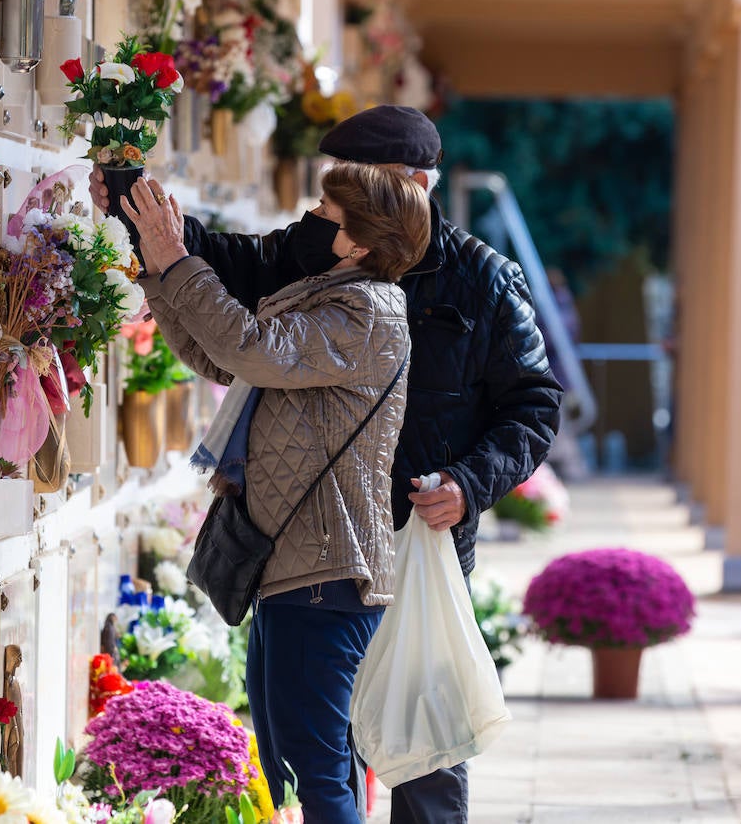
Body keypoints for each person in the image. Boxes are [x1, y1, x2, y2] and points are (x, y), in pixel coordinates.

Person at [95, 105, 563, 823]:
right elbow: (241, 268)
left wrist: (469, 485)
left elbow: (533, 405)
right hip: (327, 532)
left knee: (424, 743)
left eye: (351, 186)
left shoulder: (486, 280)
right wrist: (144, 222)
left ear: (409, 186)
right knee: (322, 744)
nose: (330, 203)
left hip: (420, 533)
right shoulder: (324, 247)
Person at [124, 163, 432, 824]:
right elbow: (223, 359)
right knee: (292, 765)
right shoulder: (329, 296)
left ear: (359, 244)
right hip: (297, 568)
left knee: (317, 774)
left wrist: (178, 259)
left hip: (324, 575)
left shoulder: (365, 315)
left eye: (326, 212)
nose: (311, 221)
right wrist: (156, 271)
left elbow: (251, 347)